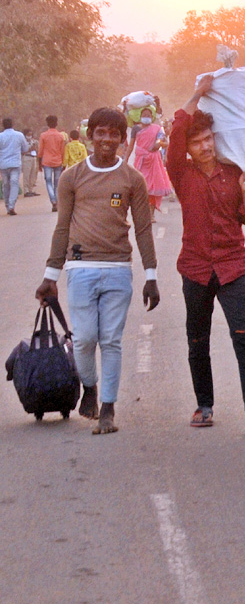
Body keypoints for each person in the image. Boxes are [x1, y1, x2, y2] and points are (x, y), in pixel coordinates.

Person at [34, 107, 160, 434]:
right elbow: (62, 228)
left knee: (111, 340)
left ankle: (108, 407)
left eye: (114, 134)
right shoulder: (71, 177)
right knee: (85, 338)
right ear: (91, 136)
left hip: (118, 267)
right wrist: (51, 275)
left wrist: (151, 276)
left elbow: (143, 230)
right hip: (79, 268)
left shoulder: (132, 179)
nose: (107, 140)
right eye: (100, 133)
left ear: (122, 139)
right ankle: (89, 386)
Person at [168, 75, 245, 432]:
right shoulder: (180, 173)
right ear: (188, 147)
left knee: (243, 335)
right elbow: (176, 130)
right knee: (197, 339)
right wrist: (197, 94)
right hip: (195, 268)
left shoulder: (234, 172)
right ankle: (204, 405)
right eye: (196, 142)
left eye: (208, 139)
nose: (204, 147)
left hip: (232, 267)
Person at [129, 108, 171, 214]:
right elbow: (131, 146)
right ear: (140, 116)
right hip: (141, 162)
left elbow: (165, 142)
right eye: (144, 115)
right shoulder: (135, 129)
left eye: (148, 115)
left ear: (152, 117)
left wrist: (159, 144)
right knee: (142, 186)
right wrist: (125, 161)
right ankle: (143, 211)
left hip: (153, 162)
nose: (146, 117)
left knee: (153, 188)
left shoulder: (157, 129)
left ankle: (151, 213)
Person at [38, 115, 68, 212]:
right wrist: (63, 163)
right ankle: (56, 200)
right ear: (57, 124)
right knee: (57, 183)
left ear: (47, 124)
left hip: (47, 161)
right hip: (58, 161)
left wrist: (39, 162)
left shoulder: (43, 135)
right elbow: (63, 150)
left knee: (48, 182)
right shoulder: (60, 136)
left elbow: (40, 151)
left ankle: (53, 200)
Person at [0, 117, 28, 215]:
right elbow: (25, 148)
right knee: (14, 183)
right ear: (13, 124)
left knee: (6, 184)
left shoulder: (0, 136)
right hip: (15, 163)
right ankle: (12, 205)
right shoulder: (19, 135)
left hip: (3, 164)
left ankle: (7, 205)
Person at [21, 129, 39, 197]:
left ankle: (31, 190)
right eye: (28, 135)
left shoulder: (33, 141)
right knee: (27, 175)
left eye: (31, 135)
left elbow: (37, 149)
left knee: (33, 174)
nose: (30, 136)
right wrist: (29, 149)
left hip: (33, 157)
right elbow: (22, 151)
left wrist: (35, 148)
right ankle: (26, 191)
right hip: (26, 157)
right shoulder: (23, 142)